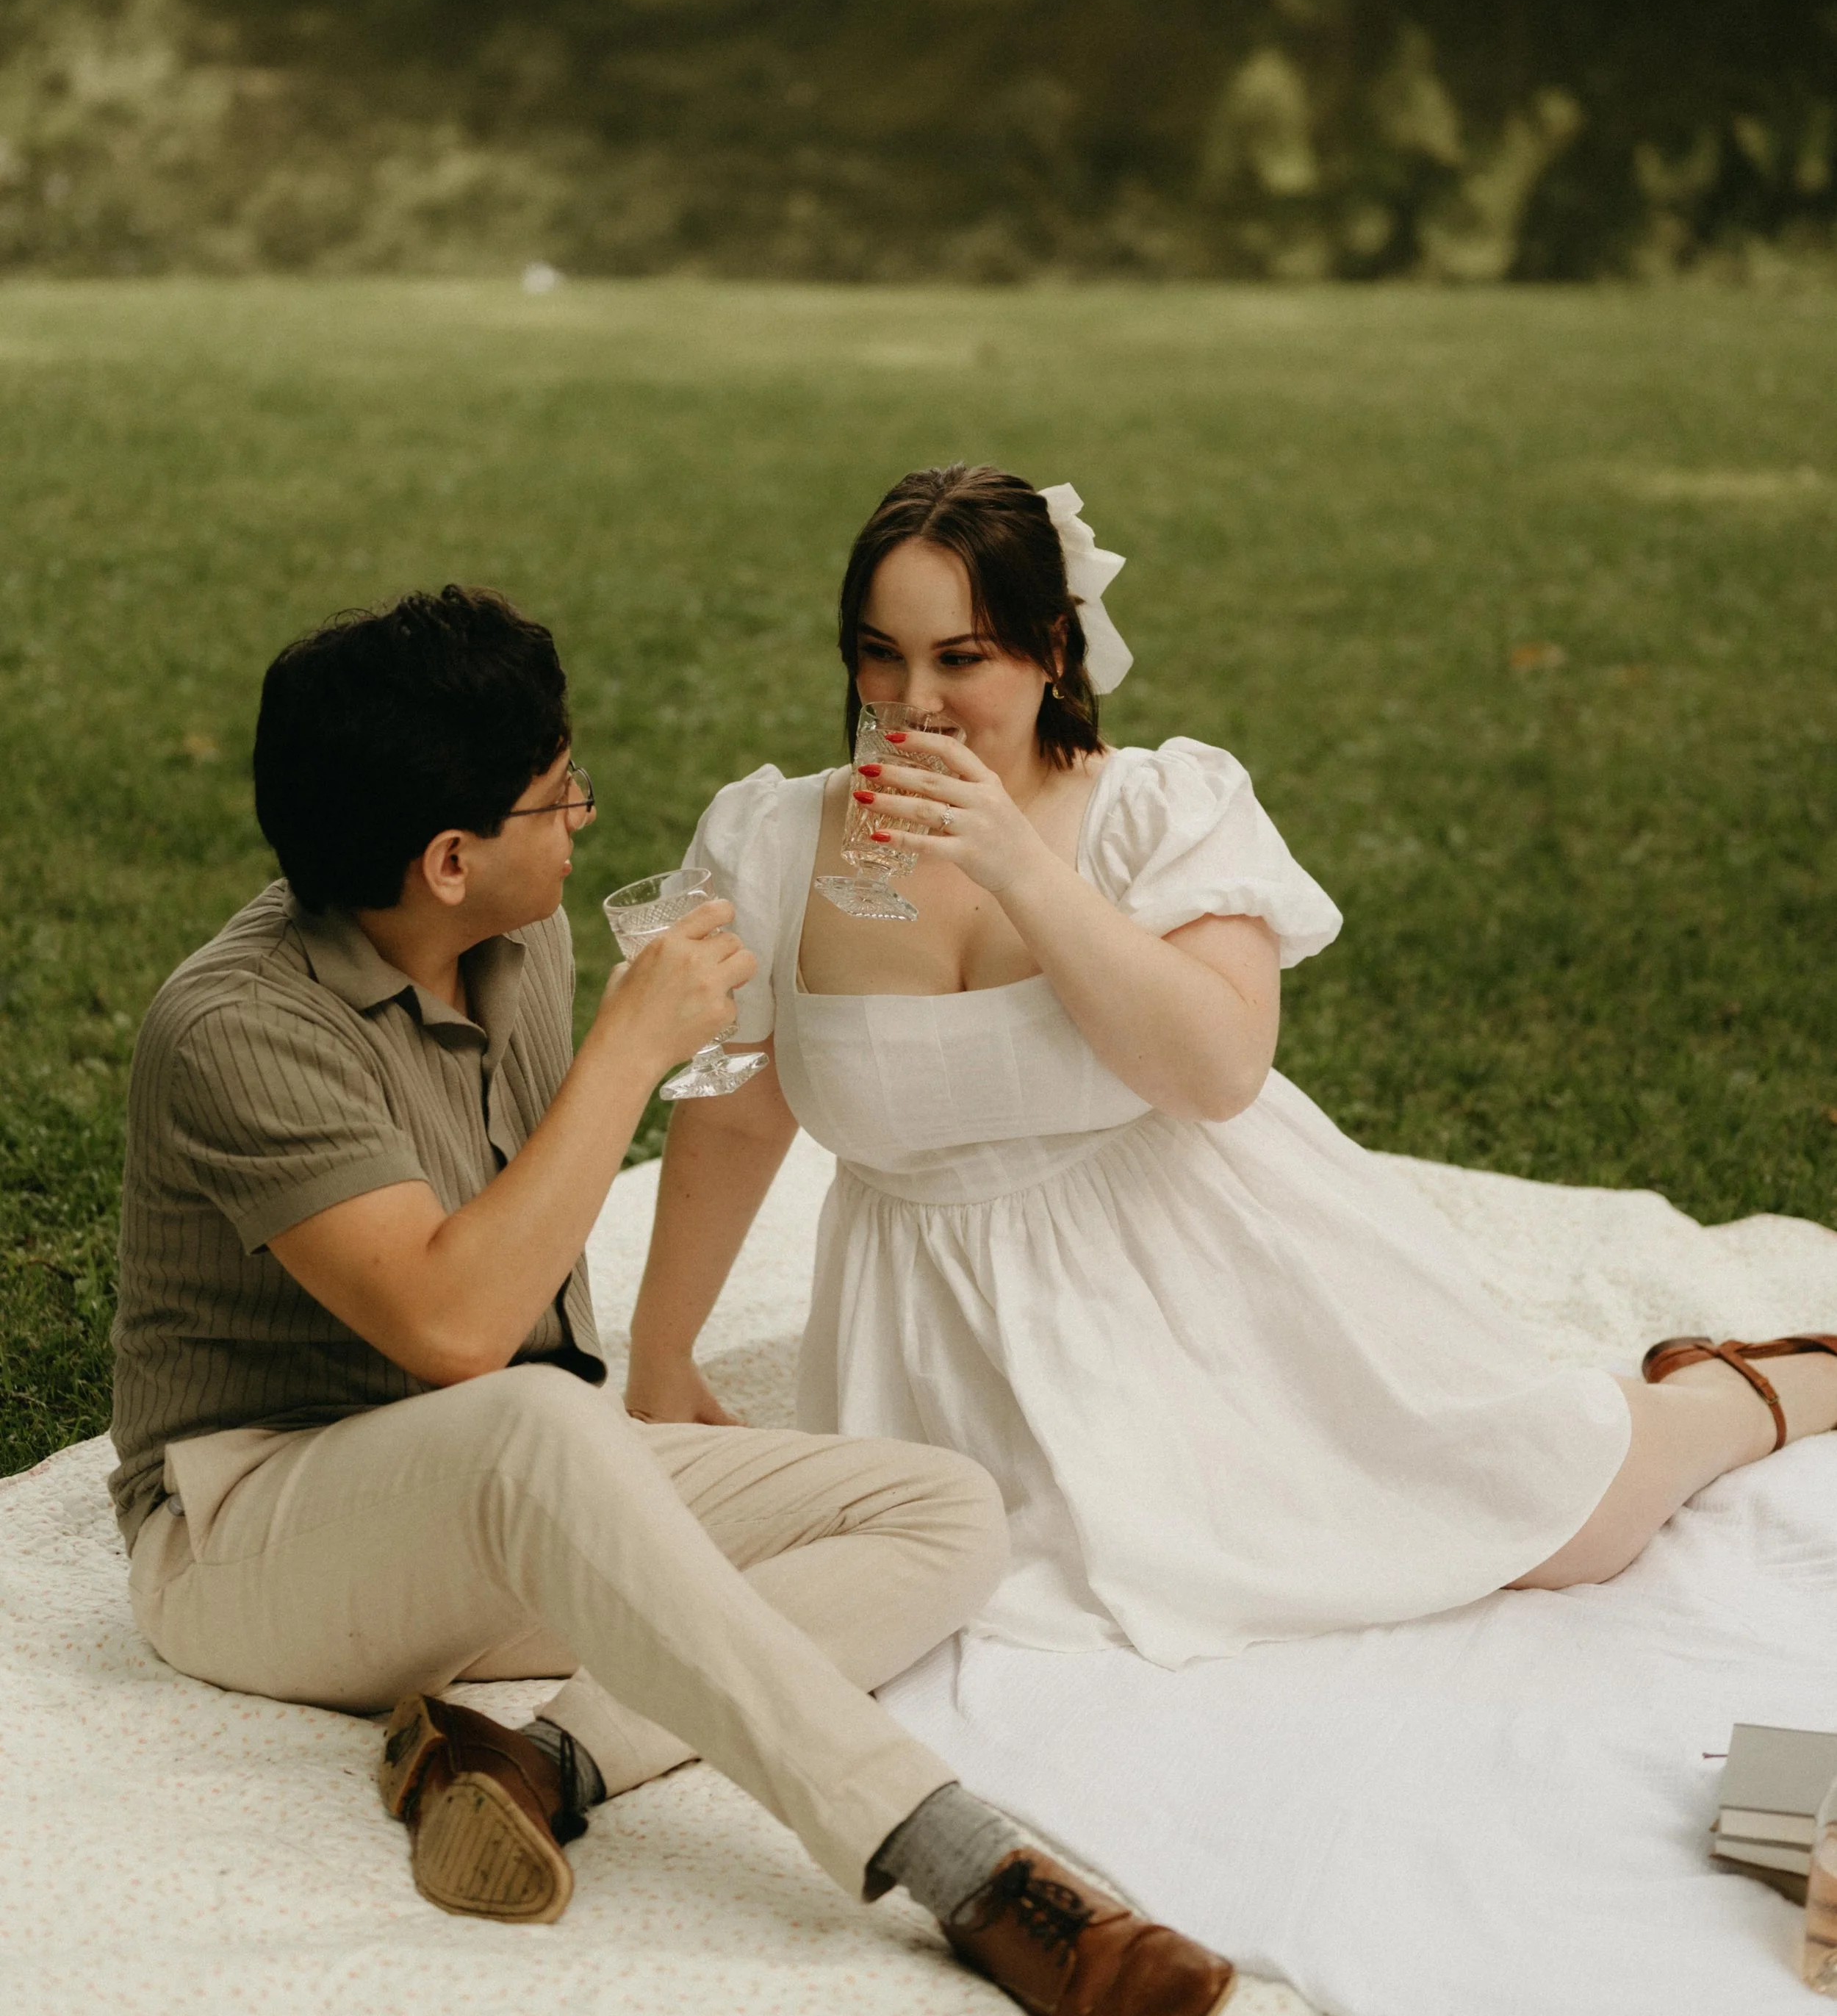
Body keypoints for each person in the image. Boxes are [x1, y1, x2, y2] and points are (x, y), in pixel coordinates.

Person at [109, 584, 1235, 2016]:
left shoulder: (518, 944)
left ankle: (536, 1760)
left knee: (944, 1511)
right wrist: (631, 1055)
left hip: (499, 1482)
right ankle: (960, 1862)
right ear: (450, 859)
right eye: (554, 795)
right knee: (530, 1413)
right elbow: (452, 1331)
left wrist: (644, 1371)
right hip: (255, 1527)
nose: (581, 816)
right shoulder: (236, 1029)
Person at [626, 466, 1837, 1668]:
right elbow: (738, 1114)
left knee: (1563, 1519)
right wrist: (663, 1351)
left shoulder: (1161, 809)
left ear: (1053, 649)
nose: (913, 702)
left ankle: (1745, 1394)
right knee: (988, 1622)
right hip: (931, 1325)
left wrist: (1020, 868)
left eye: (963, 658)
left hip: (1196, 1263)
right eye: (880, 655)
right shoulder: (778, 845)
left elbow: (1216, 1075)